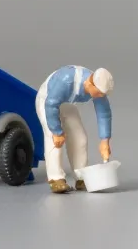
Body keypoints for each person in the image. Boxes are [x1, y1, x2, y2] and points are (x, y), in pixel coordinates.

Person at [34, 65, 114, 193]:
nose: (100, 96)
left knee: (80, 138)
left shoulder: (98, 88)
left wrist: (105, 141)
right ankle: (56, 179)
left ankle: (81, 177)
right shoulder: (66, 80)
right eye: (99, 93)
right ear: (90, 84)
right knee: (54, 139)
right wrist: (57, 132)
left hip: (66, 102)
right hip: (47, 101)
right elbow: (51, 104)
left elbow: (104, 113)